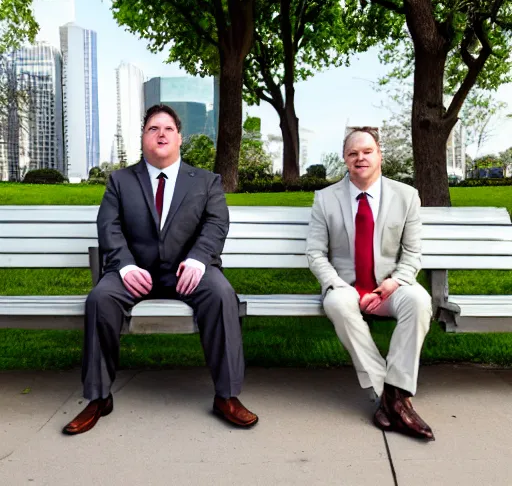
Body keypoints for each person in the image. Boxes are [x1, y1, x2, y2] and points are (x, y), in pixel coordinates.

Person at [63, 104, 258, 435]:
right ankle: (98, 398)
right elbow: (108, 226)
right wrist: (123, 267)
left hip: (190, 270)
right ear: (143, 139)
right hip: (134, 273)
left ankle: (227, 396)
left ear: (180, 137)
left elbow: (216, 224)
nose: (161, 134)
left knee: (222, 294)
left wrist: (199, 258)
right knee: (100, 298)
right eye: (153, 129)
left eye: (168, 128)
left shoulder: (206, 181)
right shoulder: (120, 181)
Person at [305, 127, 433, 440]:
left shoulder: (406, 196)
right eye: (353, 153)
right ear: (345, 159)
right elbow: (315, 252)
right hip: (347, 287)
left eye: (367, 151)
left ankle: (392, 395)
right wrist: (337, 284)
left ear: (379, 155)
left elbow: (413, 253)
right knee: (336, 303)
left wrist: (395, 282)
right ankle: (394, 397)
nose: (360, 158)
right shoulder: (326, 199)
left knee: (419, 301)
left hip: (391, 286)